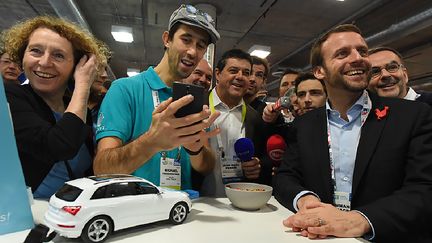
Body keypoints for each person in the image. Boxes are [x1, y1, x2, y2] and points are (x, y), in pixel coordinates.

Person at [274, 24, 432, 242]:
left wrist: (359, 220)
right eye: (342, 53)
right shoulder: (305, 125)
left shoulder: (412, 116)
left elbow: (424, 189)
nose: (358, 58)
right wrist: (305, 200)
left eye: (362, 51)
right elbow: (285, 176)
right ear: (320, 71)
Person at [94, 4, 221, 191]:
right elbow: (102, 169)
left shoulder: (194, 99)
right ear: (167, 39)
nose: (193, 51)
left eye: (201, 45)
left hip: (179, 209)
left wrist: (196, 150)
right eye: (186, 40)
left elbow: (206, 167)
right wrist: (151, 142)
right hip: (133, 209)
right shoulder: (124, 89)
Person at [3, 16, 110, 198]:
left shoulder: (74, 106)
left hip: (77, 212)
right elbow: (59, 146)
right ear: (22, 57)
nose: (44, 62)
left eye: (58, 55)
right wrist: (83, 84)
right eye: (36, 51)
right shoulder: (11, 96)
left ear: (76, 66)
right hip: (33, 213)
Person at [200, 49, 269, 196]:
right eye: (233, 71)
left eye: (245, 73)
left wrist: (256, 166)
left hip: (239, 203)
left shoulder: (254, 118)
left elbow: (262, 158)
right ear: (218, 74)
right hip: (199, 203)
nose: (240, 77)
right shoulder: (198, 107)